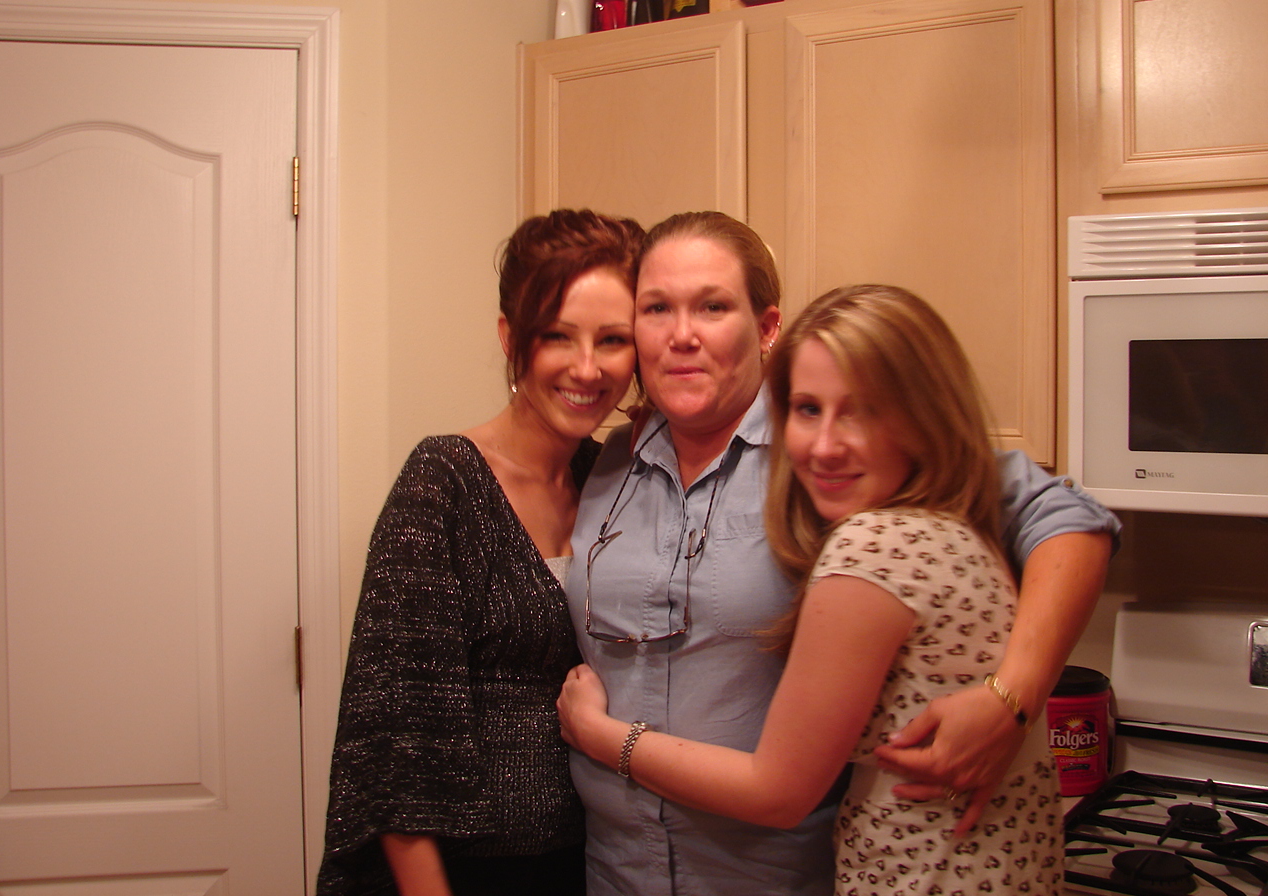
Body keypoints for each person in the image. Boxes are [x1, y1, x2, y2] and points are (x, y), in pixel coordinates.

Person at [562, 212, 1118, 896]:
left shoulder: (828, 454)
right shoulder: (612, 461)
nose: (682, 334)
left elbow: (1068, 516)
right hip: (617, 870)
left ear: (766, 326)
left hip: (783, 875)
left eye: (712, 306)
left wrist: (1016, 695)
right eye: (656, 308)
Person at [317, 209, 644, 896]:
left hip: (596, 862)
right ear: (510, 338)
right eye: (557, 336)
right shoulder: (444, 481)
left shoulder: (614, 480)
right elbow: (397, 739)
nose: (588, 368)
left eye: (613, 340)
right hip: (466, 871)